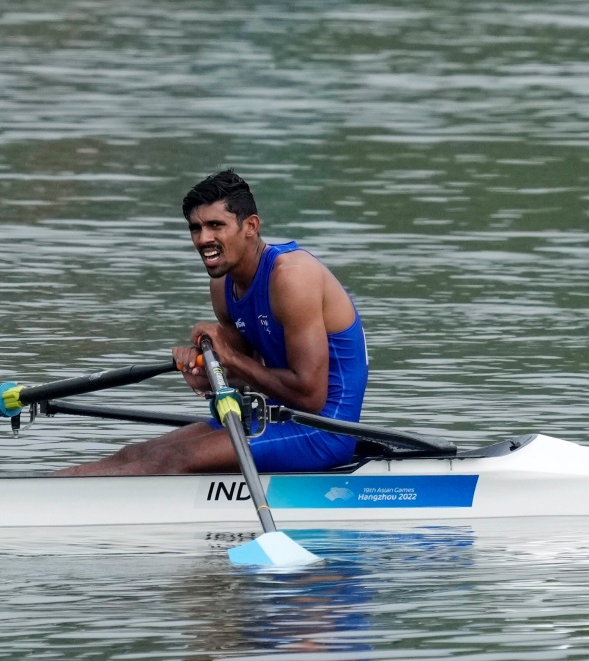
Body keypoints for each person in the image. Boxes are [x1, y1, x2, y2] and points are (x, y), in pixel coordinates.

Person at [56, 169, 368, 475]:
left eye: (216, 225)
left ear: (250, 226)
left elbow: (311, 397)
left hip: (324, 431)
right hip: (268, 419)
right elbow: (247, 376)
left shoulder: (292, 276)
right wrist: (207, 372)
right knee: (135, 453)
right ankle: (41, 493)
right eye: (196, 228)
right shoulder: (222, 284)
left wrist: (227, 356)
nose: (204, 239)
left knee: (170, 458)